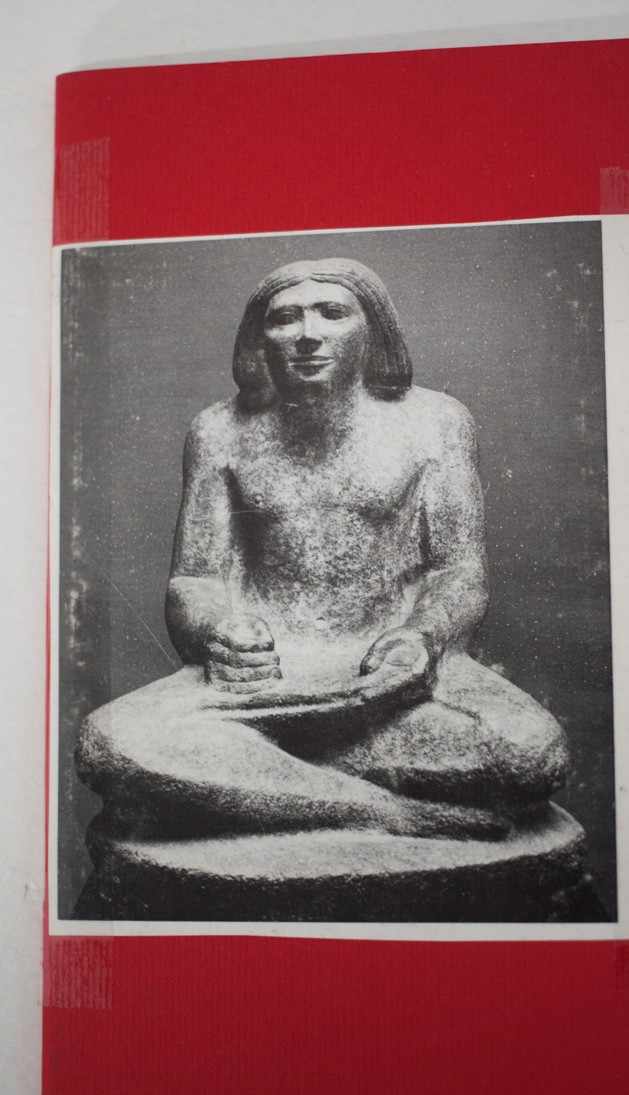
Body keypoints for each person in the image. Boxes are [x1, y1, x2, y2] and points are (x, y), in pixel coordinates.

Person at [76, 259, 568, 844]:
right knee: (108, 743)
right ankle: (380, 811)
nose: (308, 334)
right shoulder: (220, 431)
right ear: (260, 338)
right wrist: (217, 630)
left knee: (531, 754)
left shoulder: (435, 422)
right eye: (285, 318)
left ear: (373, 329)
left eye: (332, 313)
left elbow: (457, 570)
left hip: (390, 681)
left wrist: (423, 638)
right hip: (262, 685)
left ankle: (265, 777)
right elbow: (195, 579)